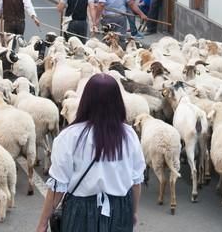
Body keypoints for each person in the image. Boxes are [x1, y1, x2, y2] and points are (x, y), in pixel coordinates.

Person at [35, 73, 144, 232]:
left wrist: (43, 223)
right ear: (117, 101)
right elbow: (136, 183)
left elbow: (58, 186)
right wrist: (132, 212)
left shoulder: (69, 136)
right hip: (120, 212)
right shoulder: (129, 135)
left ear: (86, 100)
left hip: (80, 213)